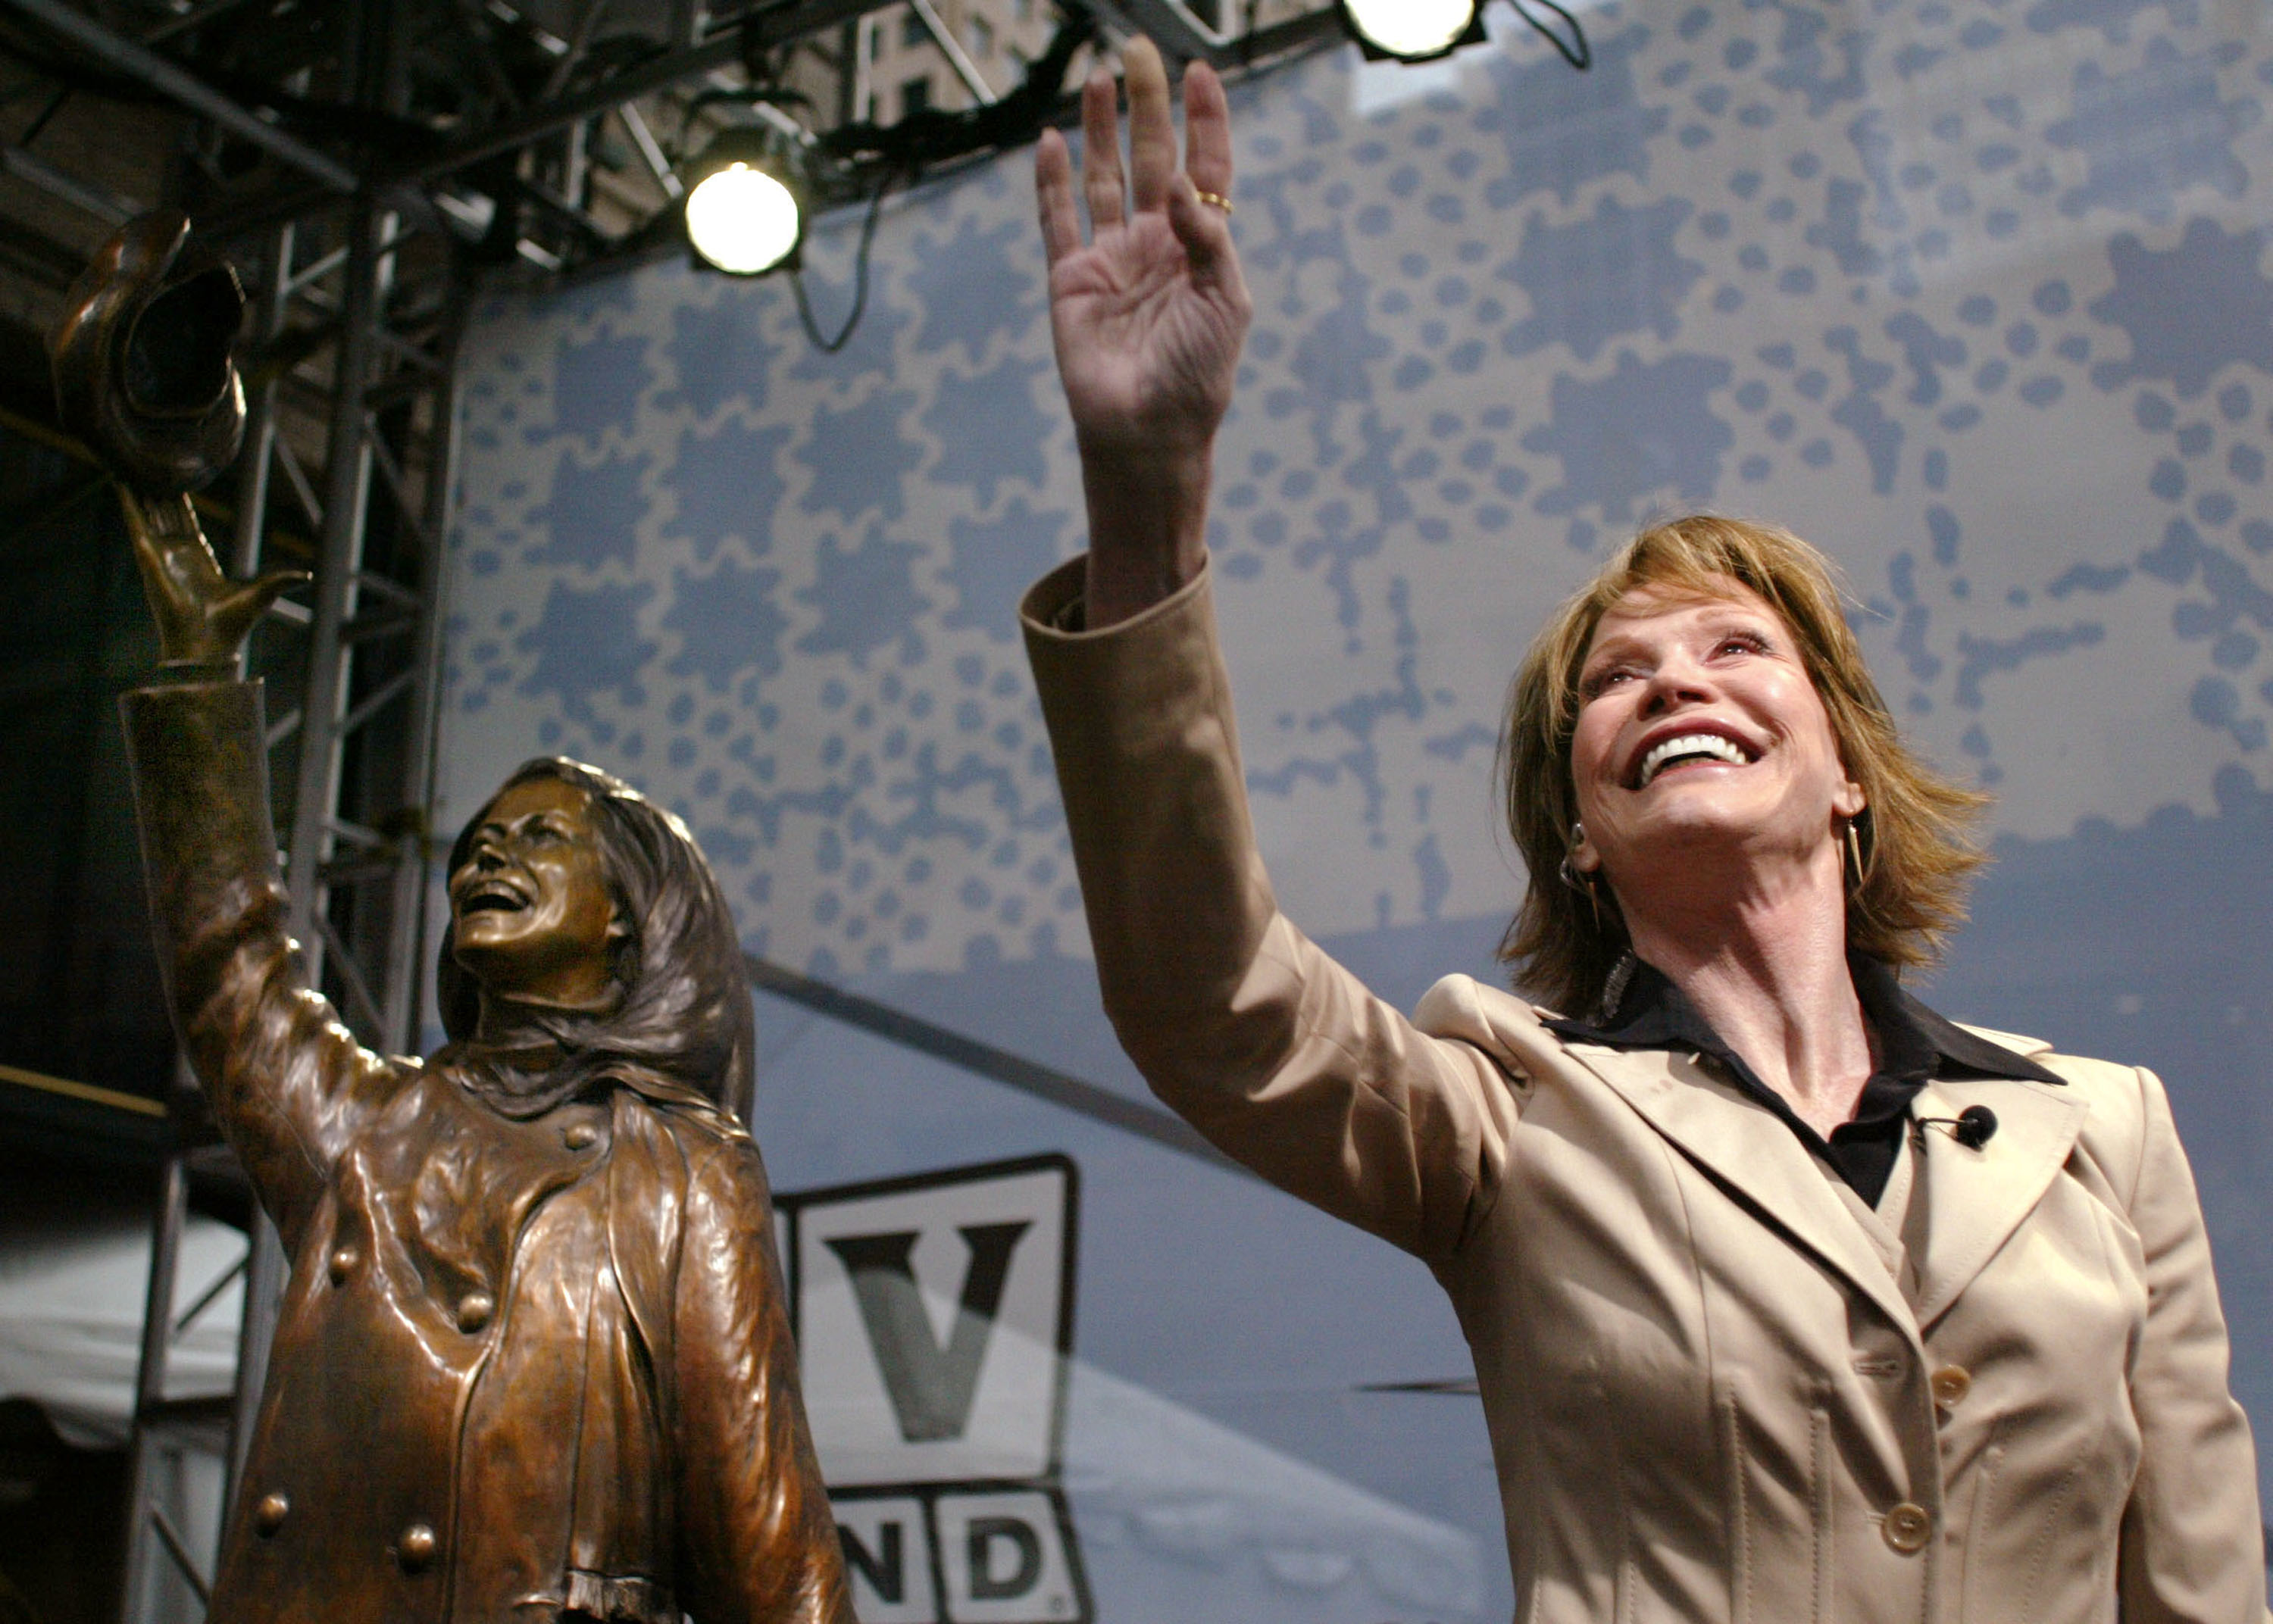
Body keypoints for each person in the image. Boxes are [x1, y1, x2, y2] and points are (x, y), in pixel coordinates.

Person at [1020, 37, 2268, 1622]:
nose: (1676, 678)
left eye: (1738, 649)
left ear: (1848, 775)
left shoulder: (2107, 1131)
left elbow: (2202, 1586)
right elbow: (1208, 996)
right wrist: (1148, 502)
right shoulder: (1506, 1112)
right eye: (1618, 679)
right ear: (1584, 834)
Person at [115, 493, 852, 1624]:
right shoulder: (370, 1129)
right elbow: (231, 968)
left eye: (542, 838)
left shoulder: (682, 1169)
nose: (489, 855)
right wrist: (204, 682)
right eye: (477, 846)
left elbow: (771, 1544)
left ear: (628, 914)